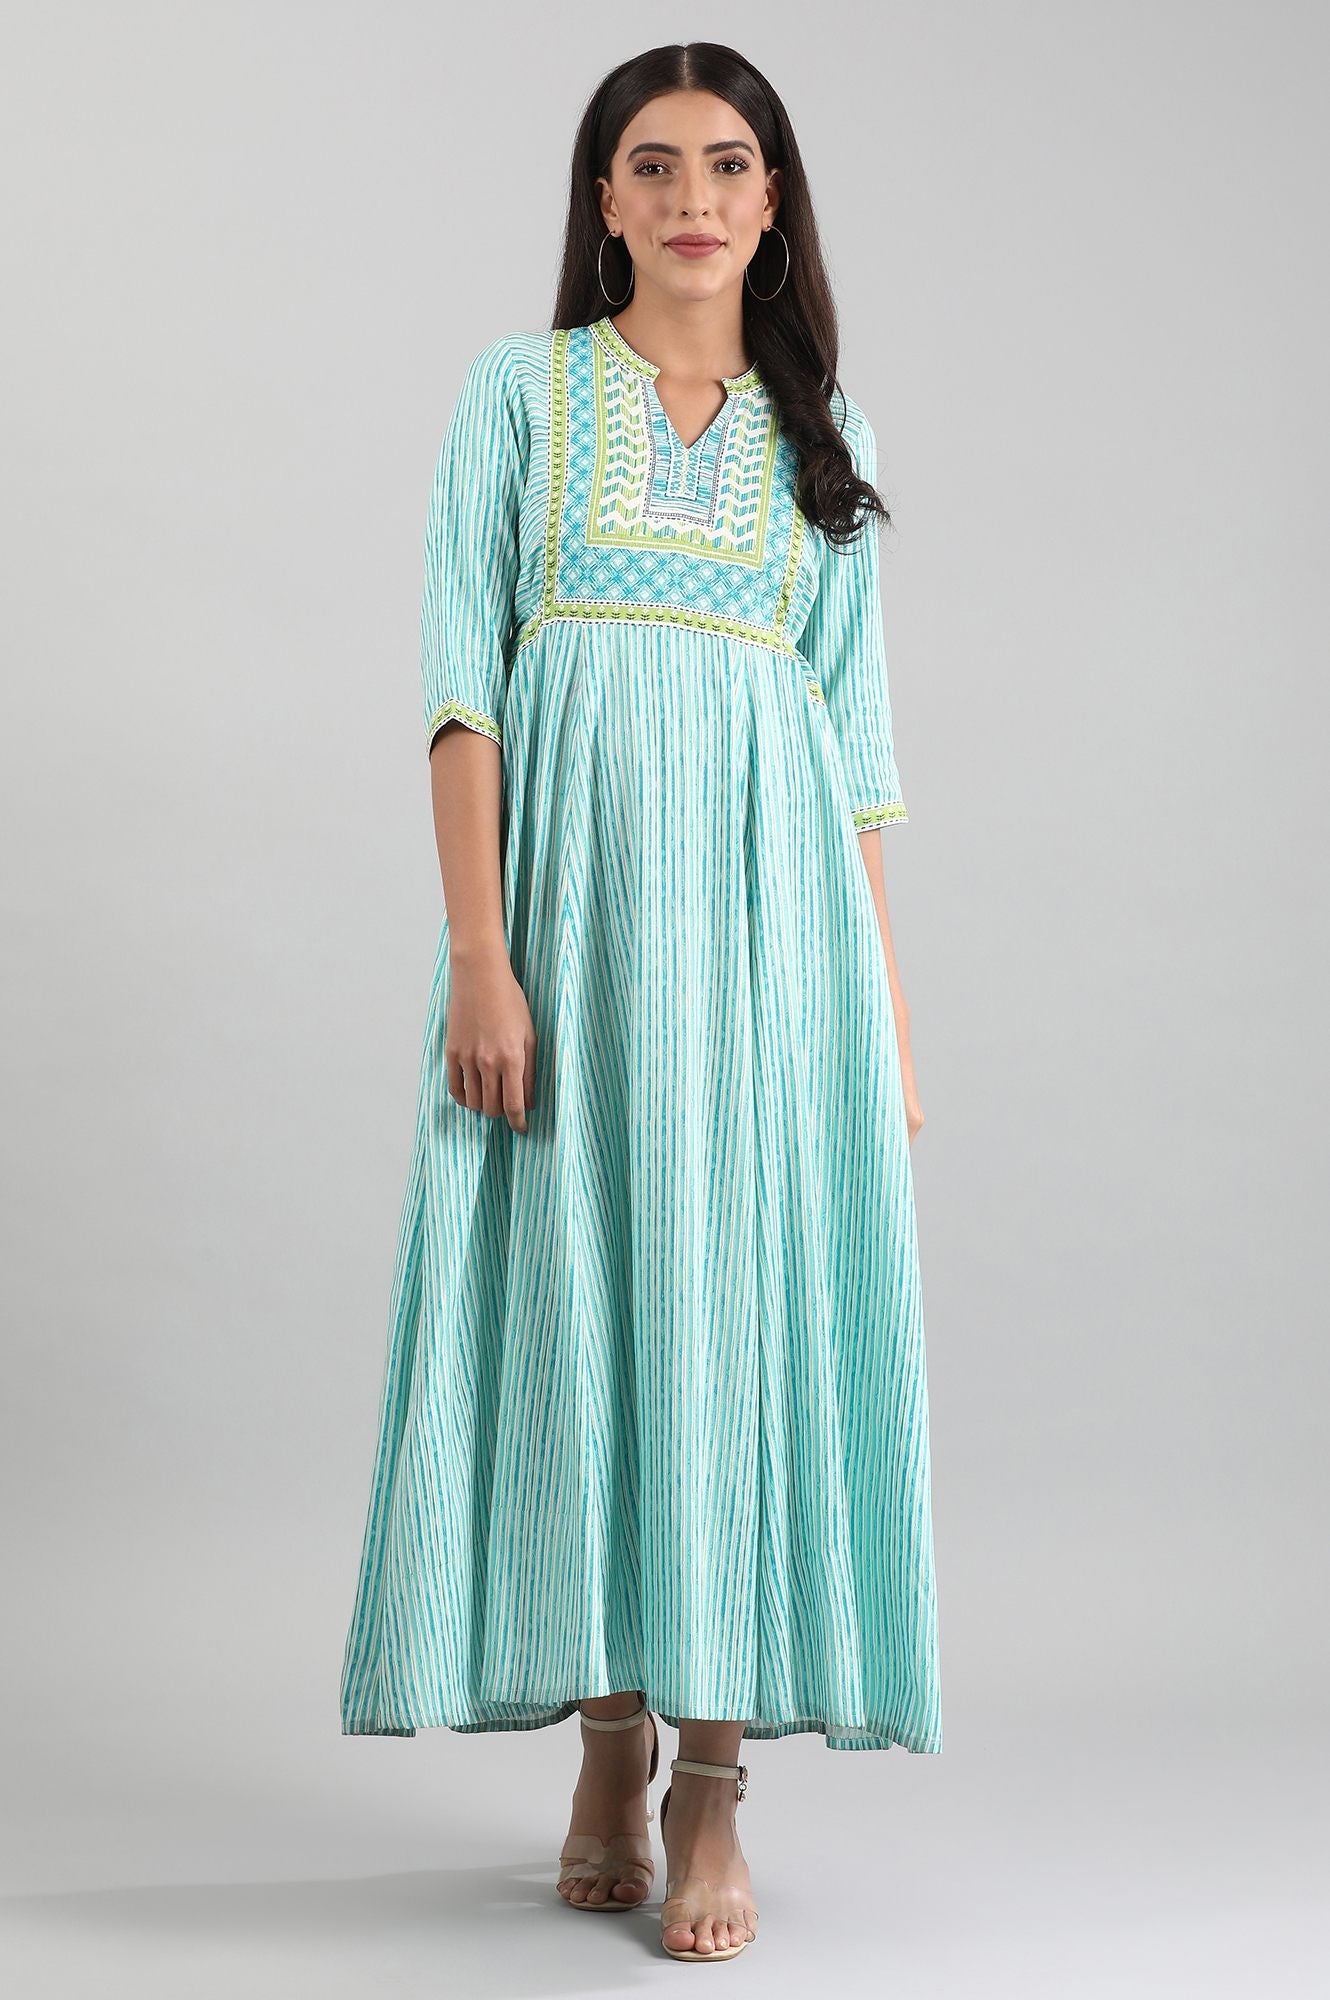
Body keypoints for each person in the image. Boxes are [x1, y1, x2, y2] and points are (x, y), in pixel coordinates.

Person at [339, 41, 943, 1965]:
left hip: (773, 959)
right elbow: (462, 681)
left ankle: (710, 1780)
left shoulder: (820, 432)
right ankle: (605, 1737)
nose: (694, 196)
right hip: (569, 940)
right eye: (655, 163)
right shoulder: (518, 396)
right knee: (580, 1304)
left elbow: (854, 753)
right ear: (602, 197)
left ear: (772, 205)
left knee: (731, 1319)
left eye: (730, 164)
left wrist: (883, 1016)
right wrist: (479, 951)